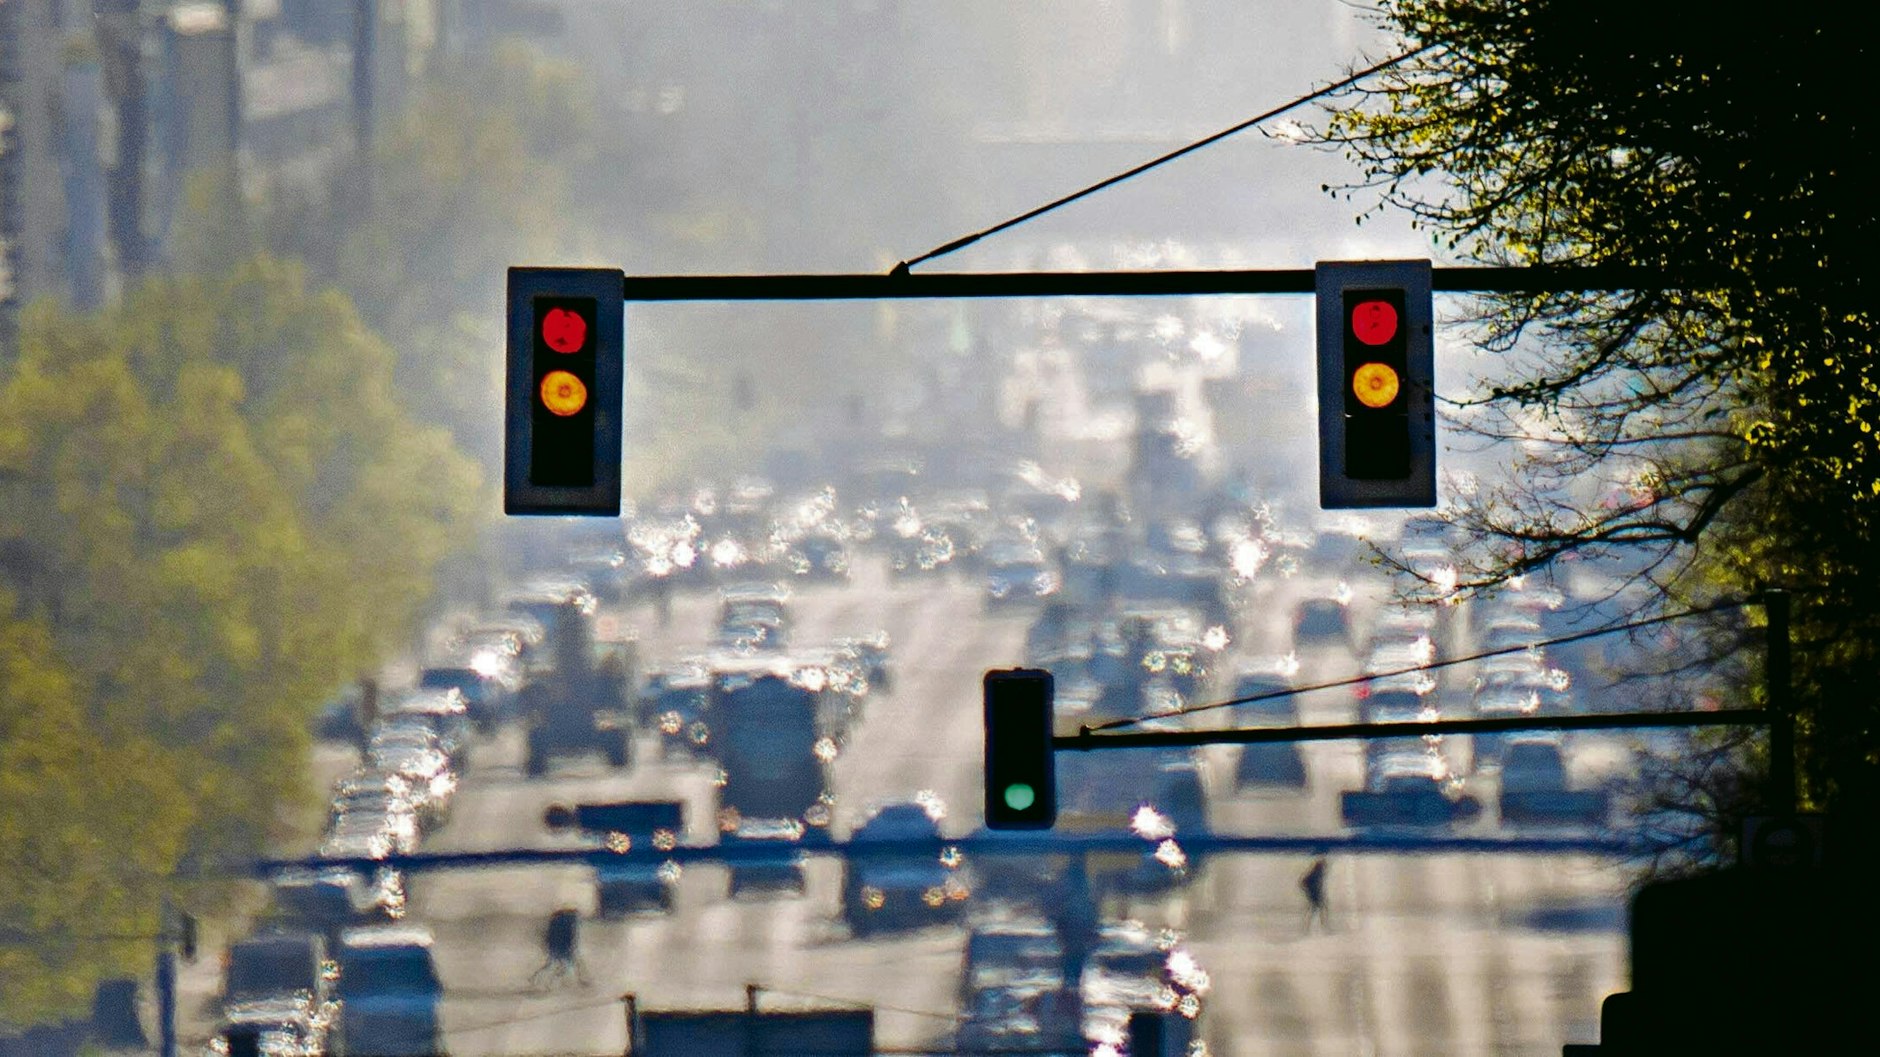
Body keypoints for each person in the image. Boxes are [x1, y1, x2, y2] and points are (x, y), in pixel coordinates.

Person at [531, 907, 590, 988]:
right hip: (564, 947)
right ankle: (547, 980)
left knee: (553, 964)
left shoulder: (556, 921)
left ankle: (538, 978)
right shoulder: (569, 922)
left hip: (557, 946)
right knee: (564, 965)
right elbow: (571, 937)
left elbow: (549, 935)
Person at [1301, 856, 1329, 933]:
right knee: (1317, 909)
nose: (1325, 868)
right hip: (1315, 894)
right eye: (1324, 866)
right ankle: (1319, 927)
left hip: (1315, 894)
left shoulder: (1317, 872)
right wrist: (1312, 891)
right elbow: (1304, 882)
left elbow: (1305, 883)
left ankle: (1317, 927)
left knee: (1317, 909)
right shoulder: (1316, 873)